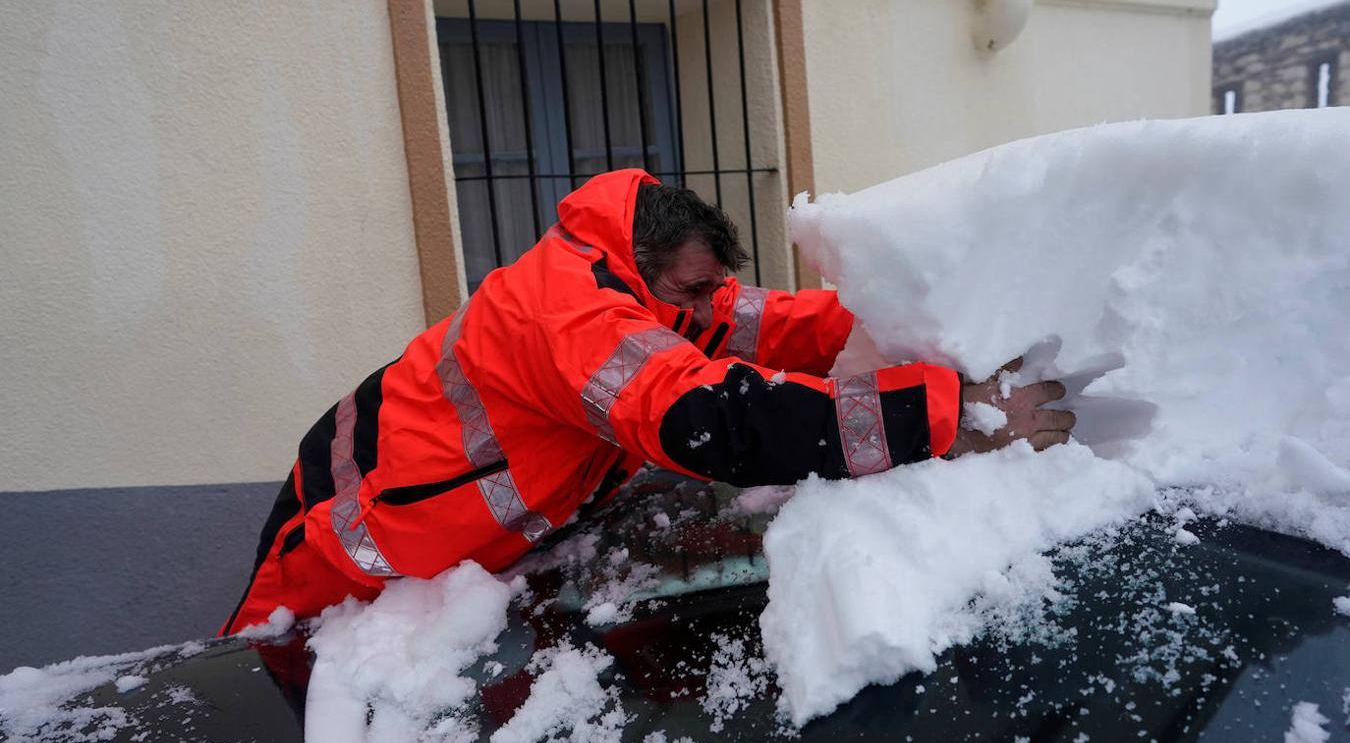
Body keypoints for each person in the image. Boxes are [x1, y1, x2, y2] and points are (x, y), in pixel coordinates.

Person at [220, 169, 1073, 635]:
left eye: (710, 292)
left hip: (455, 557)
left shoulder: (649, 285)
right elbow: (721, 421)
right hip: (343, 558)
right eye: (696, 292)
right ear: (645, 260)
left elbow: (770, 323)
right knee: (263, 731)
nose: (710, 313)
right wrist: (952, 414)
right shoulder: (568, 318)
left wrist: (916, 313)